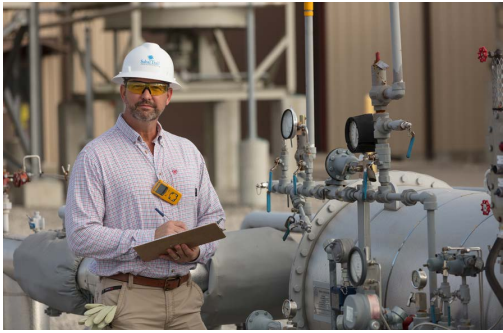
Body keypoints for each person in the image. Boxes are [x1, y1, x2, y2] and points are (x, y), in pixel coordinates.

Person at [66, 42, 225, 330]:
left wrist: (198, 252)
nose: (147, 95)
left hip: (186, 300)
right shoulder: (96, 156)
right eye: (139, 85)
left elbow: (215, 218)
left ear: (169, 96)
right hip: (128, 301)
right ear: (123, 91)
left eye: (157, 88)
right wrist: (149, 240)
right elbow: (80, 235)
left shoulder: (188, 152)